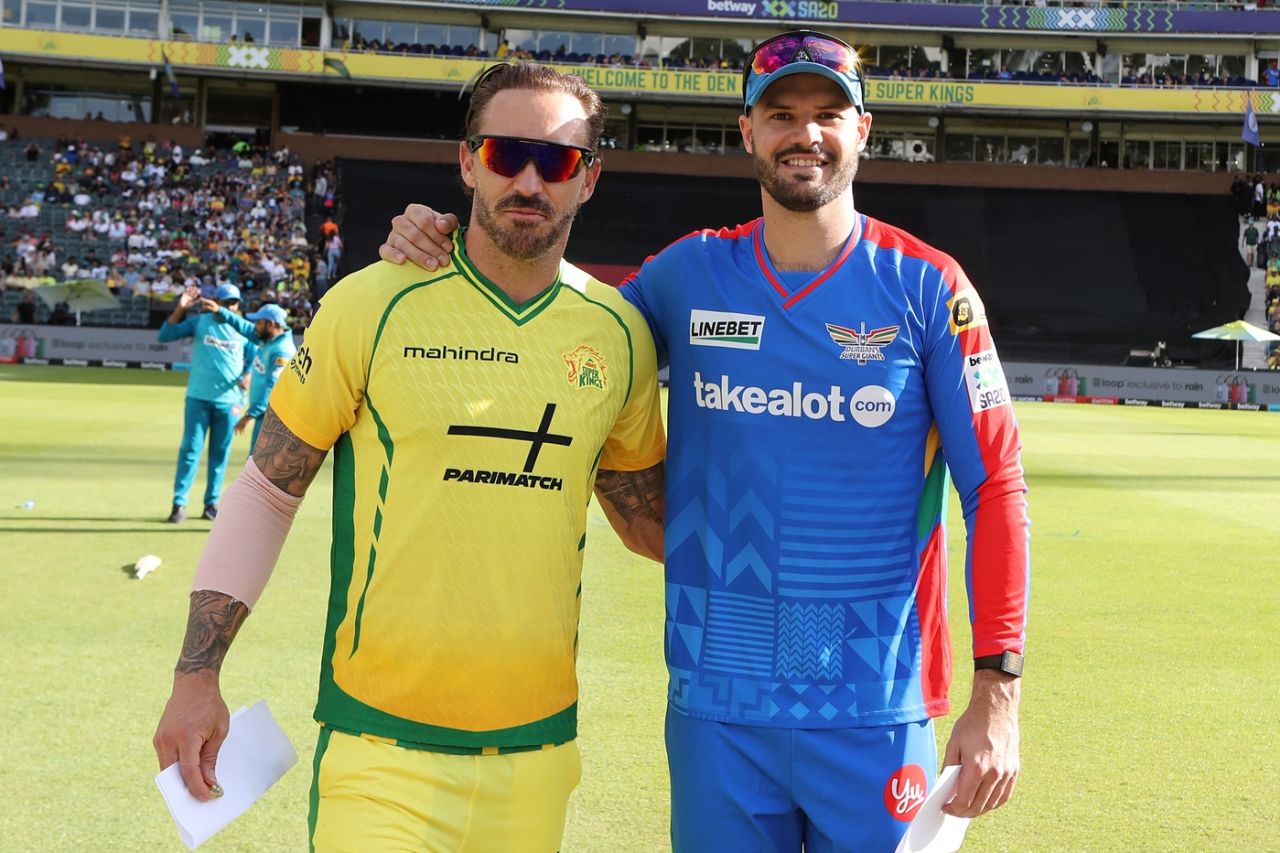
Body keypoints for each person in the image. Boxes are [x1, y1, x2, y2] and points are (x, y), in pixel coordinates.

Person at [380, 30, 1030, 852]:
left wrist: (997, 693)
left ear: (863, 131)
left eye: (830, 113)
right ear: (747, 130)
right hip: (715, 709)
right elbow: (563, 328)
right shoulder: (686, 278)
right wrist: (441, 237)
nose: (807, 133)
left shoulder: (929, 287)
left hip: (874, 708)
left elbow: (996, 487)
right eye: (782, 113)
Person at [152, 62, 667, 852]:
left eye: (557, 160)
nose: (528, 180)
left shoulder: (617, 332)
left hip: (537, 756)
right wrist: (197, 675)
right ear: (467, 161)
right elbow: (265, 492)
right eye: (505, 154)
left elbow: (652, 524)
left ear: (588, 179)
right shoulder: (371, 300)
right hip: (379, 753)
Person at [158, 283, 254, 523]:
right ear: (216, 302)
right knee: (190, 451)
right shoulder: (200, 322)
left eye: (234, 302)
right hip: (198, 398)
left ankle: (211, 503)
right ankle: (179, 504)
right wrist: (180, 308)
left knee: (220, 454)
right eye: (225, 302)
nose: (230, 306)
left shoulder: (242, 328)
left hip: (229, 401)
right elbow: (165, 335)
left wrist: (249, 373)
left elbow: (256, 354)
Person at [211, 301, 297, 453]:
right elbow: (244, 327)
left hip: (272, 420)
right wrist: (220, 310)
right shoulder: (268, 339)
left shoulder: (281, 351)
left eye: (258, 322)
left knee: (259, 463)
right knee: (255, 462)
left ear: (270, 324)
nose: (255, 326)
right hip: (264, 415)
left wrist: (250, 415)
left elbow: (272, 388)